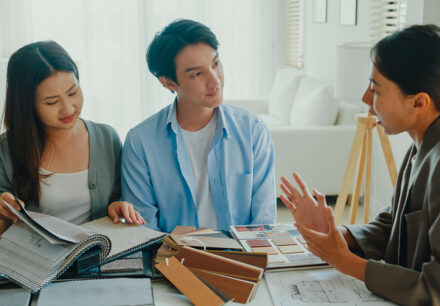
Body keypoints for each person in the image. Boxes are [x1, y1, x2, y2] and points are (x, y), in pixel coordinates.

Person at [280, 24, 440, 305]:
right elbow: (394, 224)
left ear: (419, 102)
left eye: (375, 89)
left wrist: (345, 261)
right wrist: (340, 235)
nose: (365, 99)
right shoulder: (424, 144)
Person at [121, 19, 276, 232]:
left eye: (215, 64)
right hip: (173, 260)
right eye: (197, 74)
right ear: (168, 82)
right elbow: (144, 230)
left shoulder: (253, 130)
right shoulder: (140, 142)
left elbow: (264, 221)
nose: (215, 81)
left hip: (243, 258)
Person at [0, 41, 144, 226]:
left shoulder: (107, 138)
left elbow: (117, 196)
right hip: (38, 255)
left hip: (99, 252)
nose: (68, 109)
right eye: (52, 102)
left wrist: (116, 206)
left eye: (73, 92)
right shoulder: (7, 150)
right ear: (27, 105)